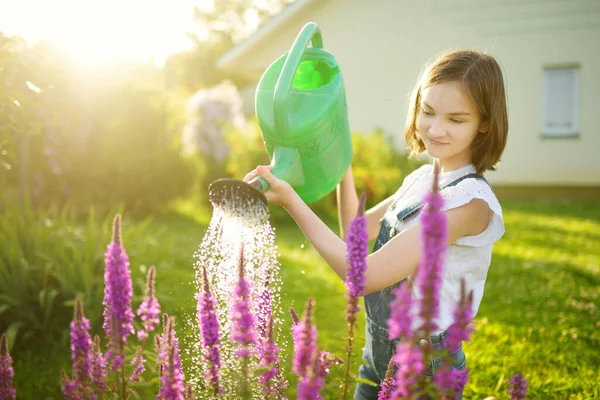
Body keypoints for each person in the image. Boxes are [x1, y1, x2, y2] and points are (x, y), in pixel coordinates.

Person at [243, 49, 508, 399]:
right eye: (427, 112)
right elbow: (355, 231)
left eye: (456, 119)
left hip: (426, 365)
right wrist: (339, 156)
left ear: (485, 123)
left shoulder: (470, 205)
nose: (435, 128)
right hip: (379, 349)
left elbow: (363, 276)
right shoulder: (421, 178)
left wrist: (291, 201)